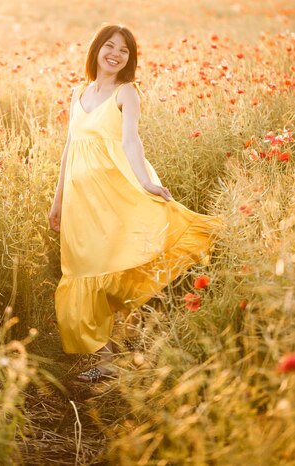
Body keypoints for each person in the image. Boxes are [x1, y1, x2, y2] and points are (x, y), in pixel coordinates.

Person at [48, 23, 223, 382]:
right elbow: (69, 149)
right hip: (82, 203)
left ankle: (119, 355)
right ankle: (109, 358)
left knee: (112, 267)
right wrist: (57, 201)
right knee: (85, 270)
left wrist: (146, 181)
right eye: (109, 46)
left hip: (115, 194)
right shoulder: (78, 93)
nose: (115, 53)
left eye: (124, 50)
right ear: (96, 49)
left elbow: (131, 142)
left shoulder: (127, 92)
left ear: (130, 58)